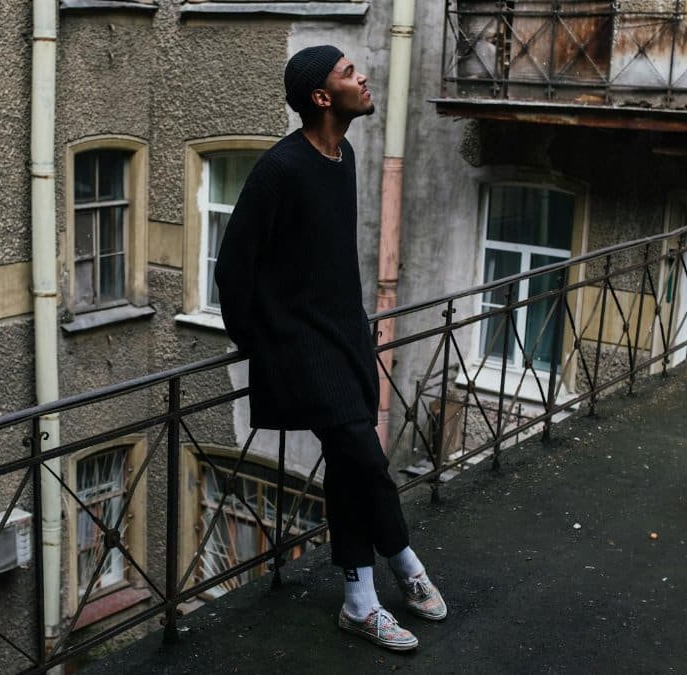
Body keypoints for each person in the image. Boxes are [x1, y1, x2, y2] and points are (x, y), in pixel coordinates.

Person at [214, 45, 446, 652]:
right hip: (300, 349)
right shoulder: (280, 169)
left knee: (349, 467)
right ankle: (406, 563)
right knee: (365, 458)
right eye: (347, 73)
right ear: (322, 97)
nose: (362, 77)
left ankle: (359, 601)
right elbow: (233, 266)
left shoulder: (344, 157)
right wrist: (259, 341)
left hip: (345, 337)